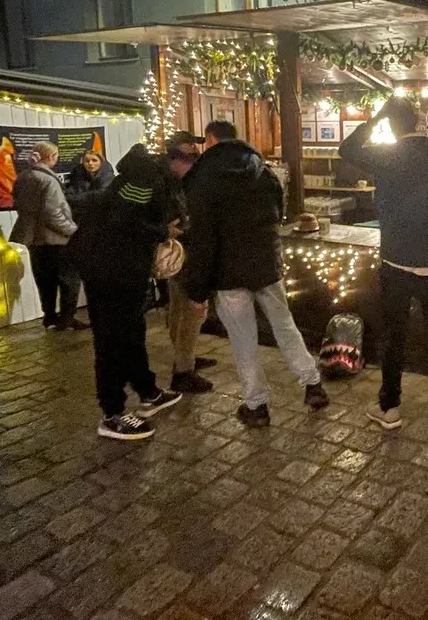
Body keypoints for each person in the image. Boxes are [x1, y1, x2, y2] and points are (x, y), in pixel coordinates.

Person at [183, 120, 328, 427]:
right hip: (266, 263)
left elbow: (203, 237)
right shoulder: (262, 170)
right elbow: (279, 212)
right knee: (285, 325)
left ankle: (256, 405)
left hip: (228, 272)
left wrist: (196, 289)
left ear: (210, 139)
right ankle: (313, 384)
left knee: (243, 339)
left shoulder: (204, 176)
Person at [339, 97, 428, 429]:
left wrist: (375, 118)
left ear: (392, 124)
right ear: (418, 123)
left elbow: (347, 149)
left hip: (396, 260)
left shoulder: (386, 155)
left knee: (394, 336)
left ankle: (390, 408)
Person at [71, 144, 181, 439]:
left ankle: (148, 392)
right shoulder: (146, 178)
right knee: (112, 338)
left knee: (132, 330)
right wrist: (162, 232)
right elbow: (123, 217)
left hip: (122, 266)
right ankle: (112, 415)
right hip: (108, 268)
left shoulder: (150, 176)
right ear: (178, 162)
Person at [10, 141, 81, 329]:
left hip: (33, 238)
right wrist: (74, 232)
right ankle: (67, 319)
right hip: (55, 239)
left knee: (45, 280)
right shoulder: (48, 180)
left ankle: (49, 316)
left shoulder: (23, 177)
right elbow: (54, 213)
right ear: (51, 157)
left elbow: (17, 202)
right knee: (69, 280)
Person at [162, 138, 214, 394]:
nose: (194, 162)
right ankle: (183, 370)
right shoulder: (163, 184)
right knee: (192, 310)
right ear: (173, 157)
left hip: (180, 252)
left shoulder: (174, 181)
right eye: (188, 158)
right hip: (182, 253)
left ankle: (185, 358)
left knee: (180, 309)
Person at [65, 150, 115, 221]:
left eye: (94, 160)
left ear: (101, 162)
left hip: (101, 217)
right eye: (87, 161)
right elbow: (69, 196)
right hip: (80, 217)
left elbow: (101, 196)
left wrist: (80, 198)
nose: (90, 163)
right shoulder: (77, 175)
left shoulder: (108, 176)